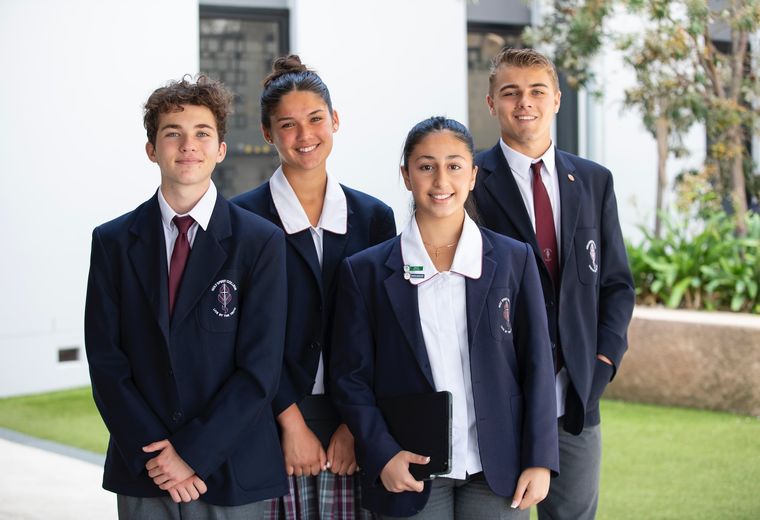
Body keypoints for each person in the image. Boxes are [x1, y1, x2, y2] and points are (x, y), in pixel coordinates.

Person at [330, 116, 559, 519]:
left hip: (497, 466)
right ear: (406, 175)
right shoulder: (364, 271)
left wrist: (540, 458)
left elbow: (538, 365)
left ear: (472, 175)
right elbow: (350, 378)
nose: (441, 180)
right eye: (425, 166)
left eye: (454, 166)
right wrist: (383, 454)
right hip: (409, 464)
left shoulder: (512, 259)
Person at [84, 75, 289, 519]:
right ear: (151, 150)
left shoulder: (260, 243)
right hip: (145, 467)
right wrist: (159, 457)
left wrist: (191, 453)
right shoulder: (113, 242)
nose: (187, 146)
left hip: (232, 466)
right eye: (172, 134)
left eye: (202, 134)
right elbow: (106, 361)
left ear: (220, 149)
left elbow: (260, 369)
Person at [471, 47, 636, 519]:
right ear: (491, 103)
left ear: (557, 99)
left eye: (537, 91)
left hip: (577, 396)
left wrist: (603, 360)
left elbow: (616, 284)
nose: (525, 102)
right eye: (510, 93)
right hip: (502, 394)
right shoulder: (470, 180)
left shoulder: (593, 180)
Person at [232, 55, 396, 519]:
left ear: (335, 120)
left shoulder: (374, 218)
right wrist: (291, 422)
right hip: (270, 416)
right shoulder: (240, 220)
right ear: (267, 134)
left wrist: (353, 424)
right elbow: (243, 336)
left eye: (316, 119)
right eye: (287, 124)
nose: (305, 136)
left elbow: (385, 330)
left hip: (354, 417)